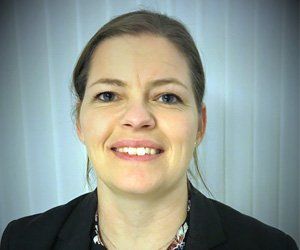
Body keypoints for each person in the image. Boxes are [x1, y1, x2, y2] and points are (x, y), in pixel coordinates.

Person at [0, 9, 298, 250]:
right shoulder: (22, 240)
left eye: (167, 97)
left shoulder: (271, 246)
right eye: (108, 95)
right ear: (79, 121)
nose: (138, 117)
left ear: (200, 125)